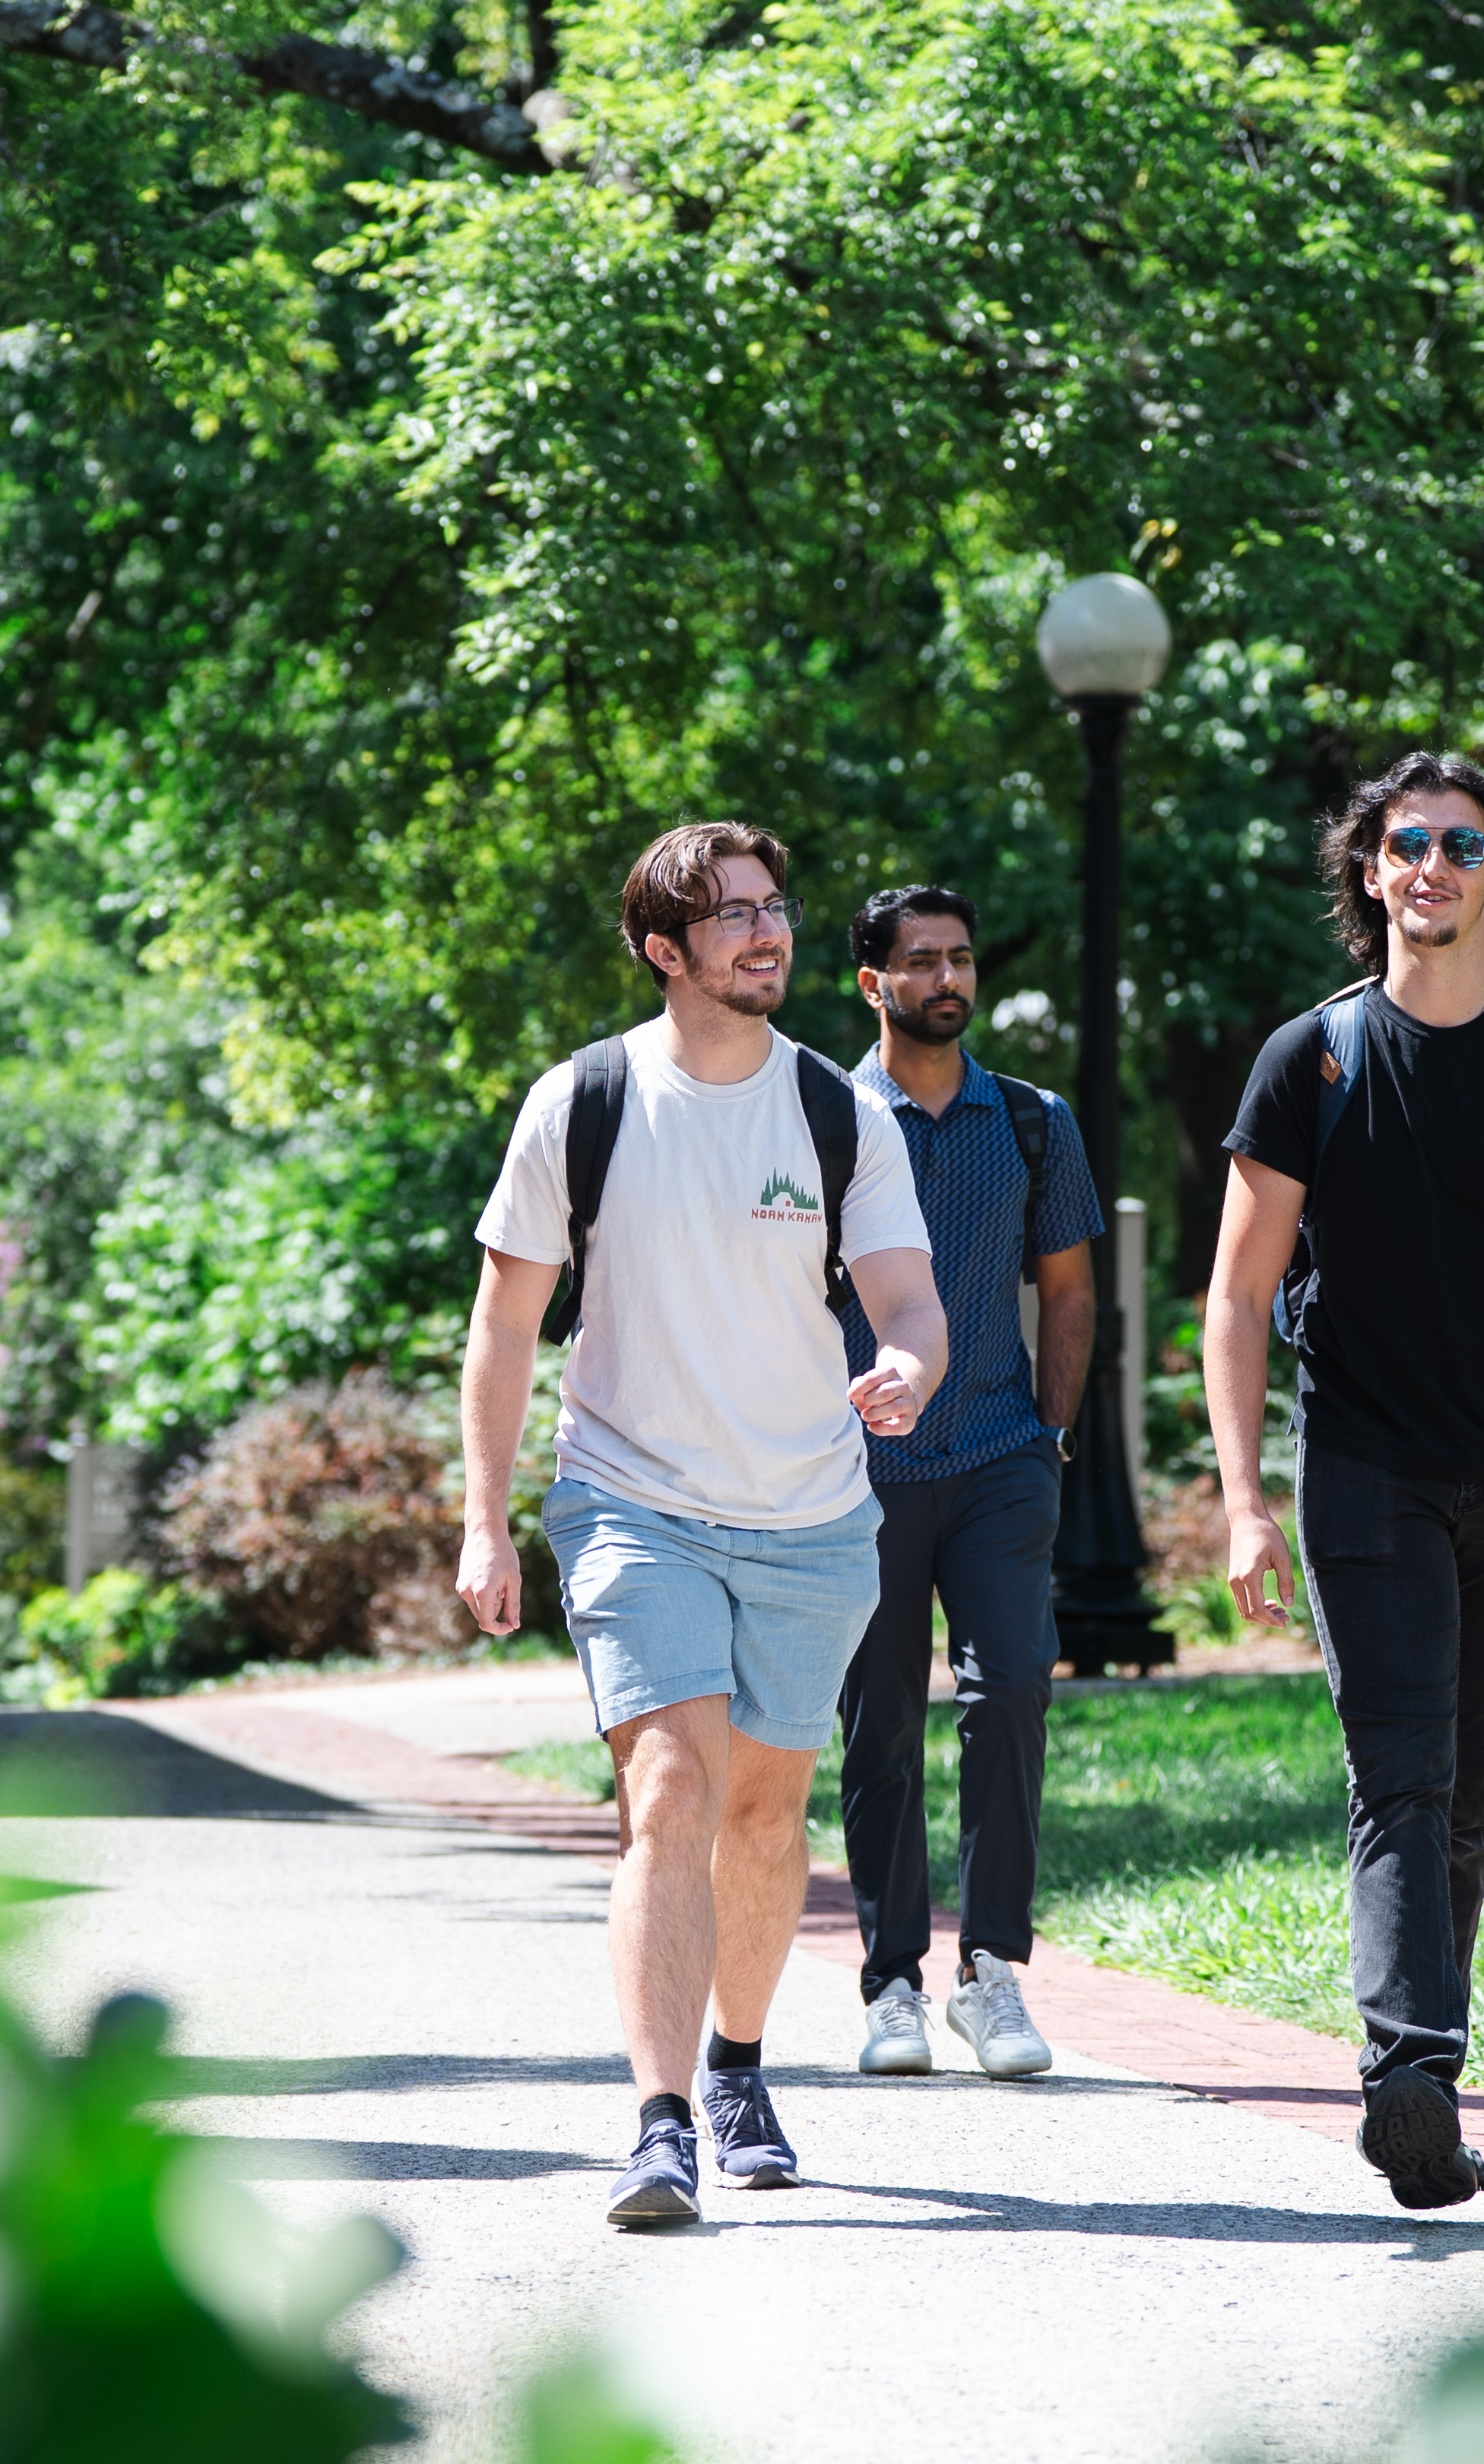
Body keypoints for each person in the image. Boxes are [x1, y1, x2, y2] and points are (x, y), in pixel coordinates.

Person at [456, 823, 951, 2228]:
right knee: (671, 1788)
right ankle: (661, 2120)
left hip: (809, 1511)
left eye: (773, 909)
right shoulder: (587, 1101)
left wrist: (906, 1366)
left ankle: (740, 2065)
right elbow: (503, 1325)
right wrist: (485, 1518)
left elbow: (908, 1300)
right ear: (666, 950)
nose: (766, 934)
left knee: (765, 1810)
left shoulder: (835, 1111)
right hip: (632, 1501)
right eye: (731, 917)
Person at [1197, 753, 1484, 2212]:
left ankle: (1423, 2088)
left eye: (1464, 845)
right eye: (1409, 843)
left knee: (1462, 1788)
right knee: (1400, 1770)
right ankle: (1413, 2063)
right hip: (1364, 1470)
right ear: (1371, 871)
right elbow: (1234, 1293)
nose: (1435, 867)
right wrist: (1241, 1500)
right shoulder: (1313, 1059)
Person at [831, 886, 1103, 2082]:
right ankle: (892, 1980)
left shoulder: (1035, 1120)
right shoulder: (822, 1118)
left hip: (998, 1456)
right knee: (877, 1721)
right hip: (857, 1473)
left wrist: (1050, 1430)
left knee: (1011, 1699)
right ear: (873, 983)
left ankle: (992, 1972)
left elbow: (1072, 1286)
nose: (947, 977)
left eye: (960, 958)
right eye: (920, 960)